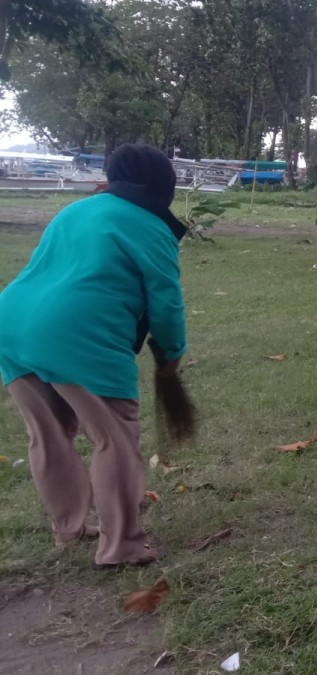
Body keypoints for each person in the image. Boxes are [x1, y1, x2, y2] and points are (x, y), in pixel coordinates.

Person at [0, 143, 188, 569]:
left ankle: (69, 527)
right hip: (78, 333)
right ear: (165, 187)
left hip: (12, 323)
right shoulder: (149, 224)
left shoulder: (74, 211)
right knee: (115, 439)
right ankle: (120, 544)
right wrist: (172, 355)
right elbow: (165, 301)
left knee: (47, 433)